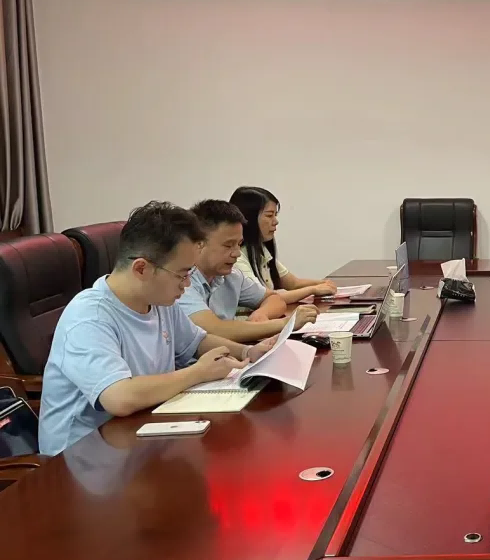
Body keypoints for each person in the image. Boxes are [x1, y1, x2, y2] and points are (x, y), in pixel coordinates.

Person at [39, 202, 280, 456]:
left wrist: (247, 352)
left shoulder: (158, 300)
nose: (187, 284)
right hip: (84, 459)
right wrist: (198, 373)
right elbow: (119, 398)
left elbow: (197, 341)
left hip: (143, 436)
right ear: (141, 268)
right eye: (182, 274)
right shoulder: (89, 317)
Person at [178, 200, 318, 342]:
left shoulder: (232, 275)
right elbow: (215, 330)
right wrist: (286, 323)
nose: (237, 253)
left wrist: (262, 314)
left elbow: (274, 299)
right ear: (199, 244)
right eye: (228, 245)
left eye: (239, 244)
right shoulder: (181, 281)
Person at [229, 186, 338, 305]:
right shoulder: (237, 258)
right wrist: (313, 289)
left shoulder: (260, 250)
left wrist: (323, 284)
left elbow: (293, 283)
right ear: (249, 218)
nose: (276, 221)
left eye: (275, 215)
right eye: (269, 215)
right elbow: (266, 298)